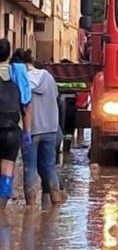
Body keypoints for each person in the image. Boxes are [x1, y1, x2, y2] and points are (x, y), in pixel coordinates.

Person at [20, 50, 65, 206]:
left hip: (30, 131)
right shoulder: (48, 77)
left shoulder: (21, 80)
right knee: (49, 167)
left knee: (30, 168)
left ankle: (31, 207)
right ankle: (56, 203)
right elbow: (56, 98)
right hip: (51, 129)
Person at [0, 40, 28, 209]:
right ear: (8, 54)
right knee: (8, 165)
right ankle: (2, 205)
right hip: (12, 130)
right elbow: (26, 102)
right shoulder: (17, 72)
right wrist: (27, 132)